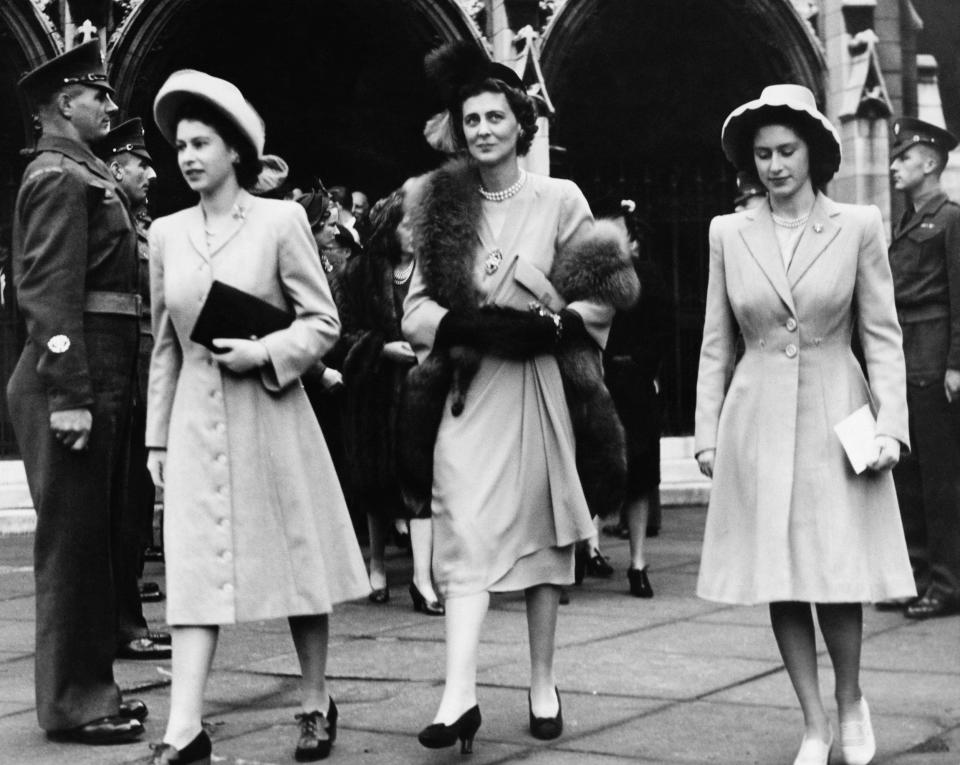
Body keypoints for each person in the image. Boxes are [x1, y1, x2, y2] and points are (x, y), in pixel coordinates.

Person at [402, 41, 635, 751]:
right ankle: (458, 693)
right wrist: (457, 323)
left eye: (494, 116)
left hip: (540, 388)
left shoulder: (559, 198)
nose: (481, 129)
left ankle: (540, 679)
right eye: (470, 118)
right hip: (471, 390)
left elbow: (607, 286)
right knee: (463, 535)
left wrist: (562, 322)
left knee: (540, 541)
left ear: (520, 124)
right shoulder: (437, 201)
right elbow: (412, 308)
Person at [146, 69, 369, 763]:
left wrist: (267, 351)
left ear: (236, 150)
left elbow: (323, 319)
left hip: (270, 411)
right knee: (193, 569)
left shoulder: (281, 222)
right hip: (193, 420)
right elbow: (164, 345)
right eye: (180, 144)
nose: (187, 156)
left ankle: (313, 699)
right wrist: (157, 437)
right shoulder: (165, 233)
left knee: (298, 560)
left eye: (202, 142)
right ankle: (185, 726)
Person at [695, 84, 915, 765]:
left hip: (835, 409)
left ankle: (851, 702)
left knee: (834, 570)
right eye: (762, 154)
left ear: (814, 153)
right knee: (779, 574)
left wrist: (890, 426)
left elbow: (882, 335)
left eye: (787, 151)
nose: (775, 165)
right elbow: (716, 341)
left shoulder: (858, 225)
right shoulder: (728, 232)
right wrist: (706, 432)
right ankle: (813, 722)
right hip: (757, 414)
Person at [7, 40, 148, 744]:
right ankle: (71, 702)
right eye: (99, 96)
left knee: (93, 542)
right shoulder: (59, 178)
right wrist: (68, 394)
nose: (111, 106)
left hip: (99, 374)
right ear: (66, 103)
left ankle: (95, 688)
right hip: (70, 379)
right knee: (71, 548)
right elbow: (47, 294)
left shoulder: (80, 172)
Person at [336, 181, 443, 614]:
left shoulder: (434, 273)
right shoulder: (360, 273)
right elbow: (341, 333)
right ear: (389, 228)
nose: (416, 231)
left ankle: (423, 580)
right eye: (407, 224)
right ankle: (376, 565)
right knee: (377, 483)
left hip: (421, 391)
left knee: (421, 483)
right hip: (376, 391)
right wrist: (379, 348)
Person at [94, 117, 172, 660]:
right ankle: (123, 623)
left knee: (136, 508)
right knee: (121, 511)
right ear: (118, 166)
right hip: (121, 382)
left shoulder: (138, 223)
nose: (152, 172)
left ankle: (128, 614)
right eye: (142, 163)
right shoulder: (107, 218)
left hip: (144, 383)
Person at [886, 116, 960, 619]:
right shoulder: (910, 220)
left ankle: (948, 584)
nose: (893, 166)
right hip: (906, 356)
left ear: (929, 163)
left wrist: (956, 363)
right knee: (908, 477)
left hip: (934, 359)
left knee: (940, 480)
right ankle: (915, 577)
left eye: (902, 158)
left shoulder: (951, 219)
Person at [601, 198, 674, 598]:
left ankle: (638, 562)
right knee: (590, 468)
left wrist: (640, 363)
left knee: (641, 475)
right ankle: (585, 550)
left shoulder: (649, 277)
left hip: (635, 385)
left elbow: (664, 327)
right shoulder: (591, 280)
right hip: (599, 384)